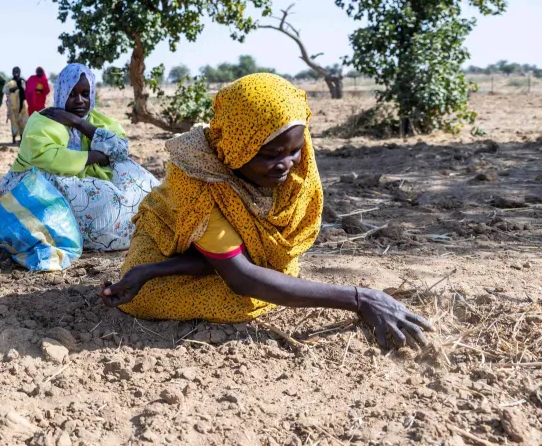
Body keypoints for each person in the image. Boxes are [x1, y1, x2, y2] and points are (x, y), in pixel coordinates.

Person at [101, 73, 432, 349]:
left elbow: (250, 257)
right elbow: (243, 279)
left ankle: (258, 273)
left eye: (294, 150)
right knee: (175, 298)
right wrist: (360, 298)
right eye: (271, 154)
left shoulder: (294, 161)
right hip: (168, 241)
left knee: (269, 278)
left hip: (224, 255)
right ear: (237, 147)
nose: (286, 164)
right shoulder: (200, 179)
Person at [0, 64, 159, 251]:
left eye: (85, 93)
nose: (80, 100)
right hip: (39, 182)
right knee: (76, 192)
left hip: (83, 177)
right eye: (72, 94)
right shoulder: (42, 121)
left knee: (143, 185)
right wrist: (95, 155)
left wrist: (79, 123)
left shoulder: (96, 121)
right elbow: (48, 158)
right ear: (61, 92)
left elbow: (120, 149)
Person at [5, 66, 28, 144]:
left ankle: (22, 138)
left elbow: (26, 91)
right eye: (14, 71)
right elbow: (5, 91)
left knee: (22, 122)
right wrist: (13, 89)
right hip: (13, 106)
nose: (16, 73)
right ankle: (14, 138)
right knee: (13, 122)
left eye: (17, 71)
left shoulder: (22, 81)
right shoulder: (10, 83)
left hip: (22, 105)